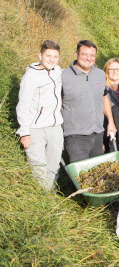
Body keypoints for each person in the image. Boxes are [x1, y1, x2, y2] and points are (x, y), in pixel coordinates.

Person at [16, 40, 63, 191]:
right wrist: (24, 132)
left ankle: (50, 196)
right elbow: (23, 104)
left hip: (55, 127)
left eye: (55, 56)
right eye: (48, 55)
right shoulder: (30, 76)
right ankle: (42, 199)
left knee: (54, 166)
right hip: (35, 129)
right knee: (39, 168)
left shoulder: (58, 71)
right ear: (40, 55)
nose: (52, 60)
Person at [62, 40, 116, 163]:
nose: (88, 58)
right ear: (76, 54)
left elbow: (104, 97)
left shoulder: (100, 74)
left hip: (97, 133)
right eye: (84, 54)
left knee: (97, 173)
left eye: (92, 55)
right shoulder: (63, 76)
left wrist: (111, 122)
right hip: (76, 136)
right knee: (80, 174)